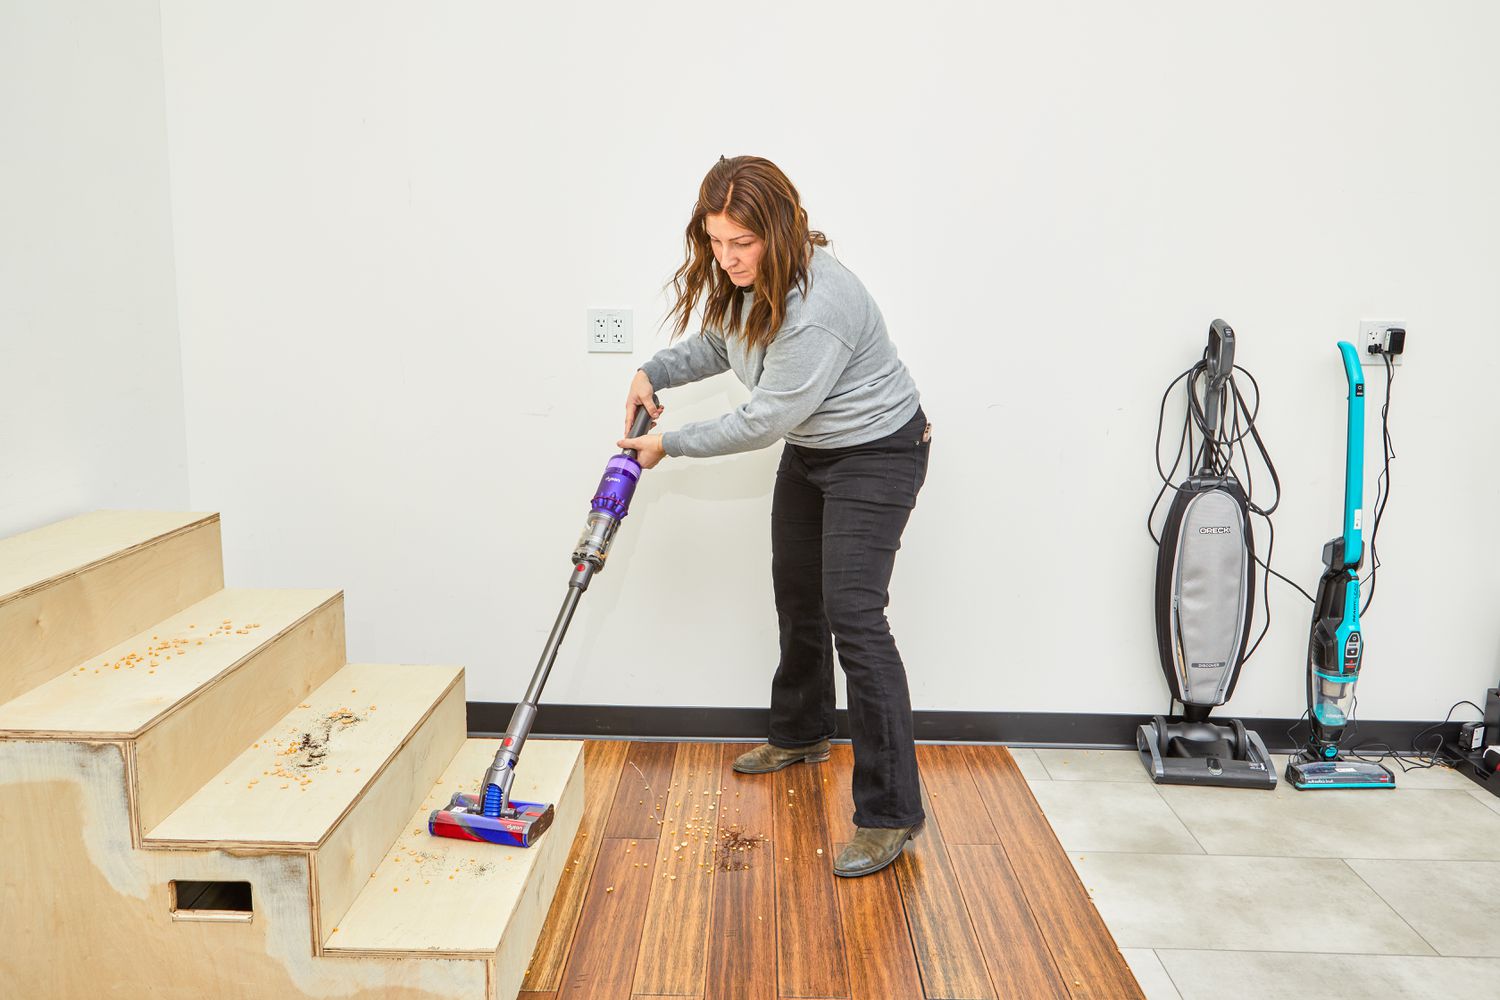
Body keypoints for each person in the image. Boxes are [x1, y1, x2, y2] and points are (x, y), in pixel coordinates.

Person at [620, 155, 931, 877]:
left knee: (854, 613)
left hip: (877, 452)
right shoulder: (747, 282)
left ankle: (891, 813)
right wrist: (654, 370)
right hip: (816, 449)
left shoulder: (821, 305)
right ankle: (802, 733)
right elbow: (721, 343)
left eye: (742, 243)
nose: (727, 259)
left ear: (781, 227)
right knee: (798, 594)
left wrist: (668, 442)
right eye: (716, 241)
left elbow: (762, 420)